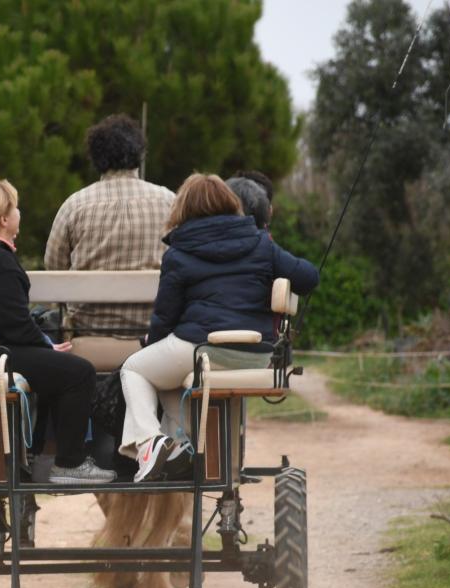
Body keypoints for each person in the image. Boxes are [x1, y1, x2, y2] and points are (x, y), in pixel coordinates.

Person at [120, 173, 320, 482]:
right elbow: (308, 278)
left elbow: (165, 316)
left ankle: (149, 442)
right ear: (230, 202)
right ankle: (193, 444)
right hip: (256, 352)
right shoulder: (261, 243)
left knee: (135, 369)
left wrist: (153, 348)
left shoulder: (179, 252)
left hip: (201, 349)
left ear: (183, 208)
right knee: (166, 378)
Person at [0, 178, 115, 484]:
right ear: (5, 219)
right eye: (16, 207)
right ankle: (69, 464)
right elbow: (17, 325)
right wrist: (45, 344)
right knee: (79, 372)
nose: (20, 213)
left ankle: (35, 454)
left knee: (55, 367)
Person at [44, 114, 175, 337]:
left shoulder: (74, 205)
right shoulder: (170, 202)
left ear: (96, 157)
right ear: (140, 154)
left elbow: (54, 267)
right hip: (153, 332)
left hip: (88, 332)